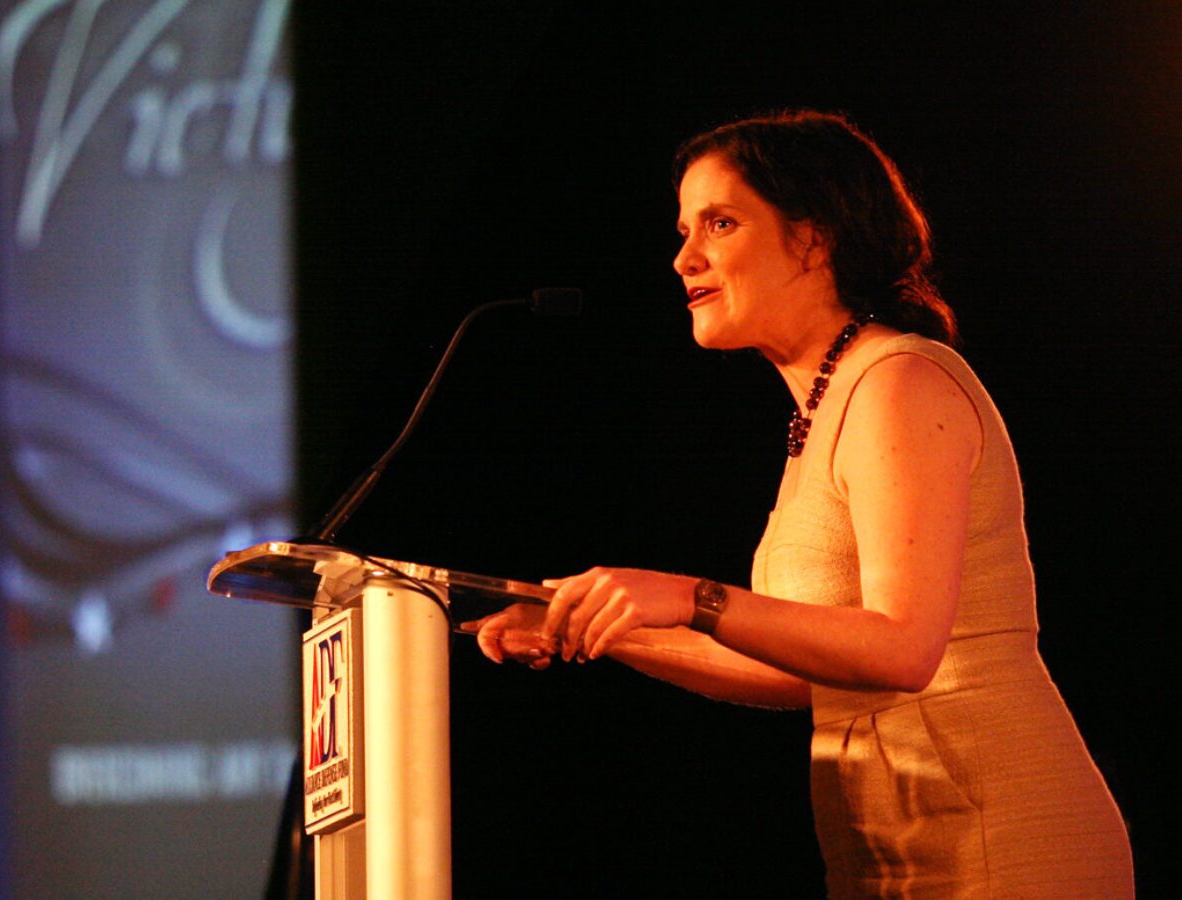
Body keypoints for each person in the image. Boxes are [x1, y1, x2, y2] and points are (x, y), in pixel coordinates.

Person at [471, 110, 1134, 898]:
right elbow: (798, 671)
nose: (685, 257)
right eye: (684, 230)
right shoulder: (824, 409)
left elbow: (902, 650)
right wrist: (599, 626)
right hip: (898, 845)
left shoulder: (898, 382)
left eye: (720, 223)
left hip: (998, 833)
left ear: (814, 239)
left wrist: (689, 596)